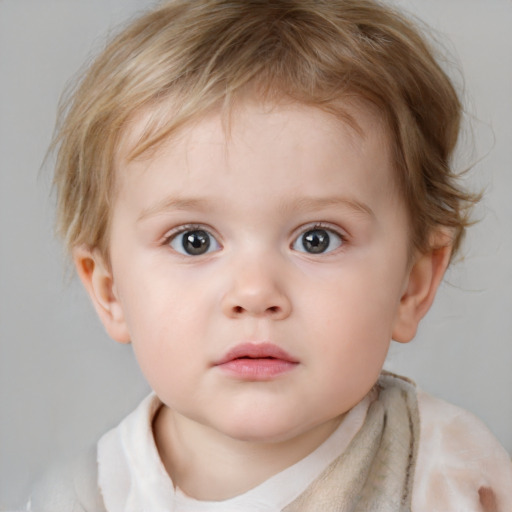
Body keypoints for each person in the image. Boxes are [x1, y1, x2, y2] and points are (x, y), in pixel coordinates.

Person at [27, 0, 512, 510]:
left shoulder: (450, 474)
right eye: (194, 240)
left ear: (412, 284)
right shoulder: (82, 497)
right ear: (110, 292)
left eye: (316, 239)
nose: (255, 293)